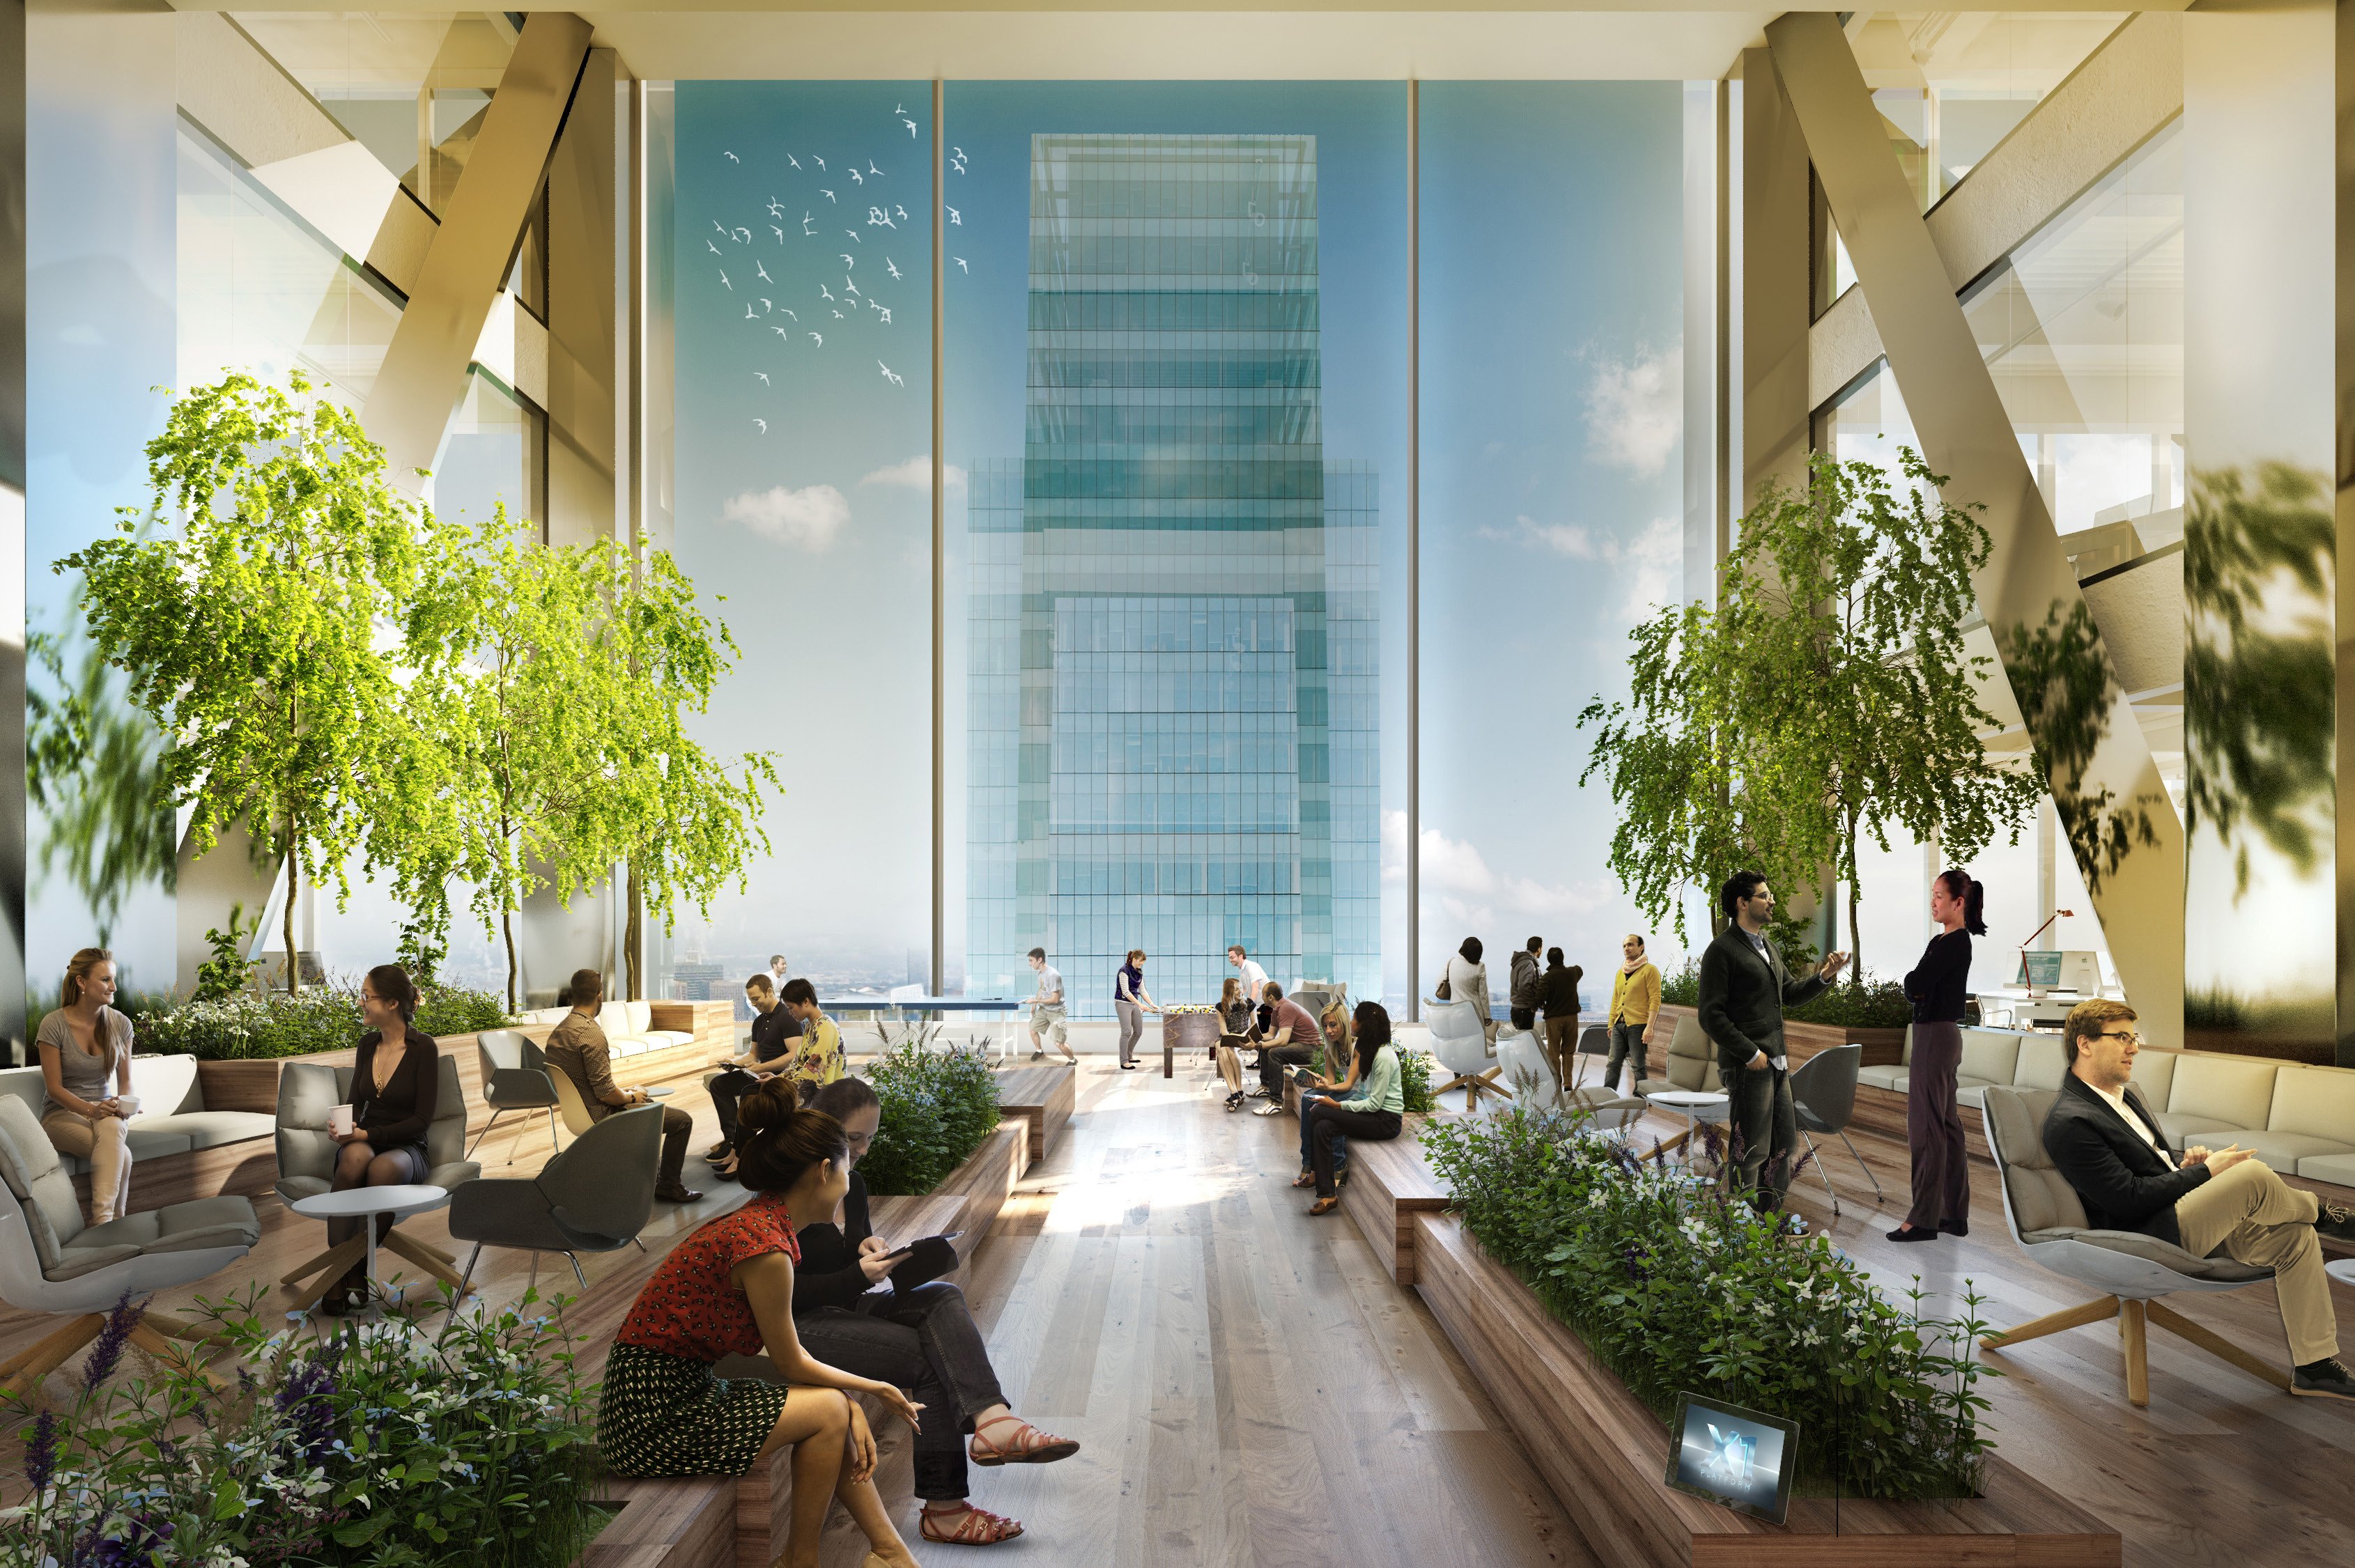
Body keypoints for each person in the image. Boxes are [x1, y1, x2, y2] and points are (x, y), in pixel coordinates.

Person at [596, 1083, 927, 1568]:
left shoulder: (763, 1223)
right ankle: (811, 1560)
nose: (852, 1174)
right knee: (832, 1410)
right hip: (653, 1417)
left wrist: (852, 1396)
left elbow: (778, 1359)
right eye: (847, 1164)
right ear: (823, 1171)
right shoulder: (765, 1247)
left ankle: (882, 1551)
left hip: (675, 1388)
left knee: (834, 1407)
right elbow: (792, 1359)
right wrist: (874, 1387)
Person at [794, 1077, 1078, 1543]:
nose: (864, 1149)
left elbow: (845, 1259)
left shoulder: (854, 1184)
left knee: (943, 1296)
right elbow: (780, 1294)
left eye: (870, 1136)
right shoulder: (796, 1189)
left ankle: (991, 1420)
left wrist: (869, 1251)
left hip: (847, 1307)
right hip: (801, 1324)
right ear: (824, 1131)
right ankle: (945, 1506)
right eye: (854, 1138)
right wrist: (855, 1275)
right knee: (930, 1354)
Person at [2043, 999, 2355, 1399]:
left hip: (2176, 1213)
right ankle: (2327, 1216)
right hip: (2151, 1235)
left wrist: (2181, 1164)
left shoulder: (2123, 1096)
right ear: (2084, 1044)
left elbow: (2149, 1164)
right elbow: (2128, 1200)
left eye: (2134, 1038)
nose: (2134, 1048)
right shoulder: (2070, 1120)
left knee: (2294, 1238)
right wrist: (2203, 1173)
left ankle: (2315, 1367)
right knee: (2253, 1175)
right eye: (2122, 1038)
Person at [1697, 873, 1847, 1214]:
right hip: (1749, 1066)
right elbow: (1710, 1015)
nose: (1773, 901)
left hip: (1777, 1063)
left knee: (1784, 1146)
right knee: (1750, 1150)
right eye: (1765, 896)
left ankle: (1768, 1227)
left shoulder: (1768, 947)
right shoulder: (1722, 950)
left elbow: (1789, 995)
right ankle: (1740, 1229)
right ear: (1742, 902)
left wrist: (1824, 976)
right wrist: (1751, 1053)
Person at [320, 965, 445, 1314]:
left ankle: (350, 1269)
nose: (361, 1003)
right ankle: (341, 1273)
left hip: (408, 1147)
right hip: (366, 1138)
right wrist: (340, 1127)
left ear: (391, 1003)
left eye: (366, 996)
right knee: (355, 1158)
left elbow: (422, 1120)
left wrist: (368, 1133)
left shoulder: (423, 1049)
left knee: (383, 1168)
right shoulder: (367, 1044)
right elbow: (354, 1103)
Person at [546, 968, 702, 1204]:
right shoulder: (590, 1034)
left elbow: (590, 1083)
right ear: (600, 995)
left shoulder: (559, 1032)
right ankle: (668, 1186)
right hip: (602, 1114)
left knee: (645, 1101)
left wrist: (629, 1093)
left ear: (573, 995)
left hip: (577, 1113)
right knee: (681, 1121)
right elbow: (608, 1094)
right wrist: (631, 1097)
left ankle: (645, 1177)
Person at [1892, 869, 1984, 1243]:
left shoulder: (1953, 943)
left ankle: (1924, 1219)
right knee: (1945, 1126)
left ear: (1958, 902)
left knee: (1926, 1128)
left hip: (1933, 1037)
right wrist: (1917, 988)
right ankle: (1951, 1215)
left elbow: (1915, 983)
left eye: (1939, 896)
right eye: (1932, 895)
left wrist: (1916, 989)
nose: (1933, 902)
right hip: (1942, 1035)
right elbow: (1917, 985)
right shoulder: (1946, 941)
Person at [36, 947, 135, 1225]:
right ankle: (112, 1223)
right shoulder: (53, 1025)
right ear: (81, 982)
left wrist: (126, 1106)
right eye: (105, 980)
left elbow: (126, 1082)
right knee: (123, 1157)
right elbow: (54, 1088)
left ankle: (106, 1225)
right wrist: (92, 1110)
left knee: (116, 1127)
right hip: (61, 1115)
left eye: (113, 979)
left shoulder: (121, 1024)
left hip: (105, 1112)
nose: (113, 987)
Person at [1304, 1003, 1403, 1216]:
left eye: (1355, 1019)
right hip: (1372, 1115)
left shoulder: (1383, 1057)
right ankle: (1328, 1194)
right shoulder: (1368, 1052)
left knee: (1320, 1112)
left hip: (1386, 1121)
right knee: (1323, 1126)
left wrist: (1337, 1105)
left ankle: (1321, 1171)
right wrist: (1335, 1101)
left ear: (1365, 1025)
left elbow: (1375, 1104)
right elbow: (1362, 1094)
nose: (1351, 1023)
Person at [708, 972, 806, 1178]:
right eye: (750, 999)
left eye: (756, 998)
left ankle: (741, 1155)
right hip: (760, 1073)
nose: (753, 1003)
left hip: (779, 1077)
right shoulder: (759, 1021)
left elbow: (793, 1056)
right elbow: (753, 1055)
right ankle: (732, 1142)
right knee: (719, 1084)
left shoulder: (788, 1018)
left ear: (769, 991)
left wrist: (762, 1068)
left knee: (748, 1093)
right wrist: (734, 1063)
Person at [1289, 1016, 1363, 1190]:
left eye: (1333, 1025)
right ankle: (1308, 1162)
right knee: (1309, 1097)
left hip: (1364, 1093)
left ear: (1343, 1023)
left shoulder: (1359, 1047)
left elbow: (1348, 1084)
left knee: (1324, 1105)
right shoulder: (1330, 1049)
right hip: (1346, 1091)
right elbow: (1330, 1079)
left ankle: (1338, 1165)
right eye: (1325, 1026)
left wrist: (1326, 1092)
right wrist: (1313, 1082)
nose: (1328, 1030)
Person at [1246, 983, 1322, 1117]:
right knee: (1266, 1049)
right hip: (1301, 1044)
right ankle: (1266, 1086)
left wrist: (1258, 1046)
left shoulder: (1285, 1008)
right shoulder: (1277, 1010)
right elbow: (1270, 1035)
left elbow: (1283, 1040)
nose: (1261, 996)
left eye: (1263, 994)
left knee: (1274, 1053)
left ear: (1270, 997)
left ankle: (1276, 1102)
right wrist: (1251, 1038)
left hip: (1313, 1049)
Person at [1605, 935, 1660, 1093]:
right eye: (1624, 946)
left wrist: (1650, 1027)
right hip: (1618, 1025)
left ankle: (1641, 1097)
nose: (1626, 948)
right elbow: (1615, 999)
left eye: (1630, 945)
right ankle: (1607, 1095)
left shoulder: (1650, 971)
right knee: (1613, 1063)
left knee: (1638, 1065)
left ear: (1641, 947)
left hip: (1638, 1025)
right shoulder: (1620, 973)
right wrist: (1611, 1024)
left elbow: (1655, 1000)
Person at [779, 979, 846, 1093]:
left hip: (825, 1099)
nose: (790, 1013)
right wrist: (776, 1079)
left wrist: (779, 1084)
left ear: (806, 1001)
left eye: (790, 1007)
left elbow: (813, 1073)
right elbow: (797, 1064)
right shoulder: (812, 1026)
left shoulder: (825, 1027)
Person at [1538, 947, 1584, 1089]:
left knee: (1554, 1052)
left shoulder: (1547, 977)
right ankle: (1568, 1082)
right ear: (1563, 958)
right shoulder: (1572, 973)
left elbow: (1540, 997)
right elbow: (1580, 970)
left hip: (1554, 1019)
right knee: (1568, 1051)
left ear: (1549, 960)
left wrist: (1542, 1005)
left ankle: (1557, 1082)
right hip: (1572, 1018)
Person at [1113, 950, 1159, 1071]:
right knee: (1127, 1031)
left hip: (1134, 1004)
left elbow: (1143, 990)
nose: (1142, 964)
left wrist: (1151, 1004)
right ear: (1134, 959)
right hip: (1123, 1003)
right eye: (1140, 962)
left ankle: (1129, 1056)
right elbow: (1126, 992)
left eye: (1143, 963)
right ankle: (1124, 1061)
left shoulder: (1139, 973)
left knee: (1138, 1031)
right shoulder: (1124, 971)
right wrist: (1141, 1005)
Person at [1025, 949, 1073, 1064]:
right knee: (1032, 1029)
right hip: (1044, 1009)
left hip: (1057, 1011)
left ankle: (1073, 1060)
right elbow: (1041, 990)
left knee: (1059, 1043)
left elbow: (1055, 999)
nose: (1029, 963)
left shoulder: (1052, 975)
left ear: (1039, 959)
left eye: (1031, 960)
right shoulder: (1041, 974)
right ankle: (1040, 1051)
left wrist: (1034, 1000)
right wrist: (1034, 1006)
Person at [1444, 938, 1494, 1043]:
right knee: (1476, 1046)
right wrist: (1487, 1016)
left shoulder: (1451, 962)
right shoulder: (1480, 967)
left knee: (1457, 1044)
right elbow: (1483, 995)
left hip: (1455, 1014)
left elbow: (1438, 982)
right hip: (1474, 1015)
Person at [1216, 978, 1253, 1111]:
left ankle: (1237, 1091)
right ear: (1229, 991)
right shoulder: (1221, 1007)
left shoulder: (1249, 1003)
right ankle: (1235, 1092)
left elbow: (1255, 1025)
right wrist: (1232, 1038)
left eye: (1241, 988)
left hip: (1244, 1036)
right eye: (1236, 989)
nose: (1240, 991)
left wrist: (1242, 1036)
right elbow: (1224, 1031)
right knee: (1221, 1047)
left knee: (1228, 1050)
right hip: (1228, 1036)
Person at [1508, 936, 1543, 1033]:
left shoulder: (1520, 961)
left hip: (1518, 1009)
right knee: (1525, 1043)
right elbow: (1524, 987)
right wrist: (1533, 1004)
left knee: (1521, 1042)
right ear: (1539, 949)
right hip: (1524, 1010)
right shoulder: (1528, 963)